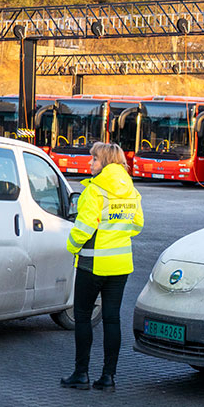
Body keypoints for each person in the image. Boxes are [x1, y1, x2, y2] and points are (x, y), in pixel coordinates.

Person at [61, 141, 145, 392]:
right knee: (112, 320)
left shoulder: (95, 190)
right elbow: (138, 224)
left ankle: (81, 374)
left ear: (106, 162)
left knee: (83, 318)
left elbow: (84, 228)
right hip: (120, 264)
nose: (90, 163)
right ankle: (108, 378)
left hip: (92, 263)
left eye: (94, 159)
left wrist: (71, 246)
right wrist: (117, 233)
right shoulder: (131, 190)